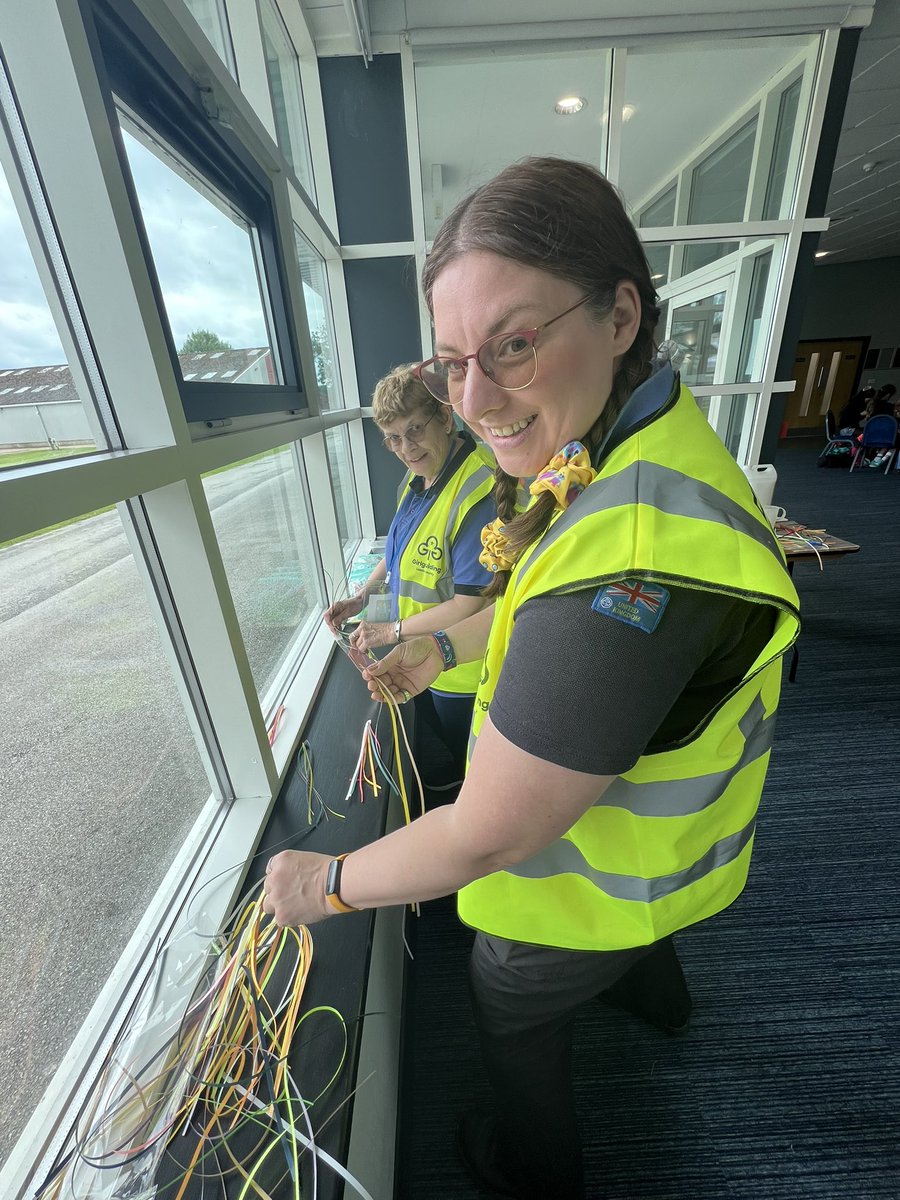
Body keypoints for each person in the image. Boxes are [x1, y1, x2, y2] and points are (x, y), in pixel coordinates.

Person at [267, 158, 801, 1199]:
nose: (471, 400)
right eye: (452, 359)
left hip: (593, 877)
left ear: (619, 315)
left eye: (512, 345)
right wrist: (451, 649)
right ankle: (663, 1005)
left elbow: (496, 831)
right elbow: (534, 618)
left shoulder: (631, 558)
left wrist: (322, 885)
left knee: (508, 1000)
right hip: (673, 846)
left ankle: (535, 1175)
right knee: (638, 936)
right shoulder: (636, 442)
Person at [324, 364, 496, 785]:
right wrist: (363, 595)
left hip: (462, 668)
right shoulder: (418, 475)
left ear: (445, 417)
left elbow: (468, 604)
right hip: (421, 655)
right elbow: (399, 549)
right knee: (438, 734)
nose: (406, 448)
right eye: (394, 439)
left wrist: (390, 632)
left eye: (415, 430)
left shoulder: (479, 493)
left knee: (469, 756)